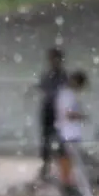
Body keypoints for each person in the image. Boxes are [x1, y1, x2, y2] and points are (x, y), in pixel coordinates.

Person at [34, 48, 68, 180]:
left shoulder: (62, 75)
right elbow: (43, 89)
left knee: (59, 138)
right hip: (48, 109)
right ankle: (46, 164)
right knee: (46, 138)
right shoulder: (47, 75)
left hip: (57, 110)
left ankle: (60, 164)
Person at [55, 70, 88, 191]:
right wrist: (82, 116)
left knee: (69, 161)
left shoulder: (68, 94)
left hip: (70, 134)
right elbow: (68, 114)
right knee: (67, 160)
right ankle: (66, 185)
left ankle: (68, 184)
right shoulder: (67, 95)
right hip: (68, 135)